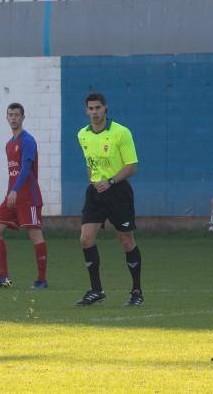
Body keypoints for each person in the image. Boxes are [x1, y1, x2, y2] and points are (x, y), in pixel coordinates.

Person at [76, 93, 142, 307]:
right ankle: (96, 291)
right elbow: (90, 163)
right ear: (86, 111)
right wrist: (94, 181)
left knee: (126, 240)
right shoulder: (82, 135)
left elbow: (132, 166)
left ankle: (136, 291)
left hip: (118, 191)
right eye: (91, 108)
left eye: (98, 108)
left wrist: (111, 182)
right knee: (86, 239)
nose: (94, 112)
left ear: (105, 109)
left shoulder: (121, 133)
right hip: (95, 192)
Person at [0, 103, 47, 290]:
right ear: (6, 117)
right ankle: (4, 278)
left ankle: (41, 280)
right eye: (10, 115)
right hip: (12, 197)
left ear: (23, 117)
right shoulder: (9, 144)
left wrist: (16, 190)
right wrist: (10, 192)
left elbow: (26, 169)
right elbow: (13, 172)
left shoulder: (27, 140)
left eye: (17, 115)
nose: (13, 118)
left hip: (28, 196)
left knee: (35, 234)